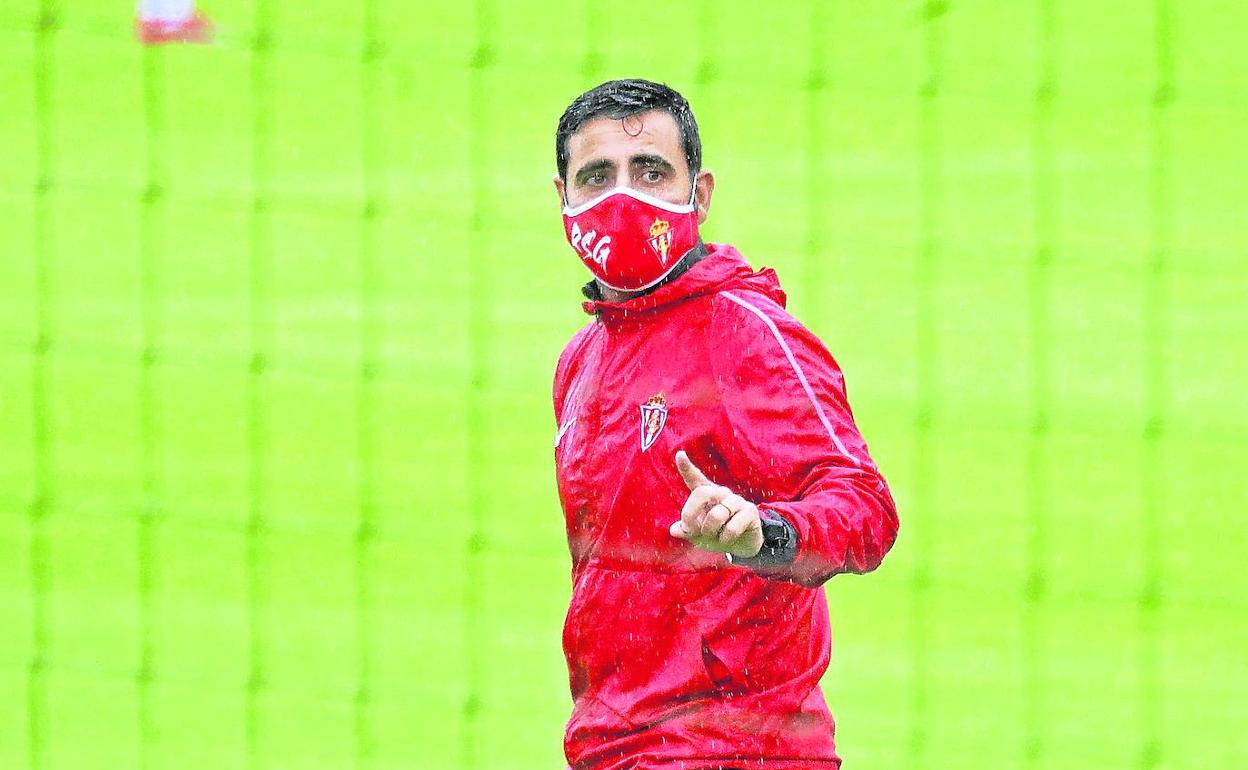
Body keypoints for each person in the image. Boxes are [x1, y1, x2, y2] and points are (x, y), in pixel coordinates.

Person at [550, 79, 900, 770]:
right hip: (615, 746)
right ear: (562, 199)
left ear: (700, 194)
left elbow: (866, 509)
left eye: (651, 171)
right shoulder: (580, 362)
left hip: (739, 749)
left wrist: (765, 533)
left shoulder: (746, 334)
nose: (624, 196)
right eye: (596, 177)